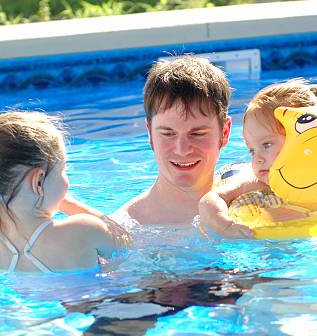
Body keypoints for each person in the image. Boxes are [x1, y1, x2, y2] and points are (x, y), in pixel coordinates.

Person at [61, 55, 252, 235]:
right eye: (168, 133)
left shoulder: (253, 197)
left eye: (198, 133)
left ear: (225, 133)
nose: (182, 149)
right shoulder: (130, 230)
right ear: (150, 133)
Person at [0, 111, 130, 273]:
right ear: (38, 182)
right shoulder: (84, 229)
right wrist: (67, 204)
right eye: (63, 170)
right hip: (96, 298)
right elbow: (125, 241)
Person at [199, 78, 317, 238]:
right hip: (232, 173)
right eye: (252, 150)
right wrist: (226, 227)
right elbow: (209, 200)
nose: (257, 159)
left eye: (266, 145)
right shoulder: (257, 185)